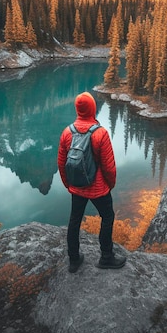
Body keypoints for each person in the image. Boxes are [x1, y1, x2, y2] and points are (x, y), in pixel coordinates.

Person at [58, 91, 126, 273]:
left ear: (78, 109)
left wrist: (68, 184)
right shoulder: (100, 133)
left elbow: (61, 163)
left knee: (74, 221)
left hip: (77, 187)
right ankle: (106, 257)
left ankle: (73, 259)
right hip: (98, 189)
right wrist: (110, 185)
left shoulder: (67, 132)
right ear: (92, 109)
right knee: (107, 217)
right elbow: (109, 167)